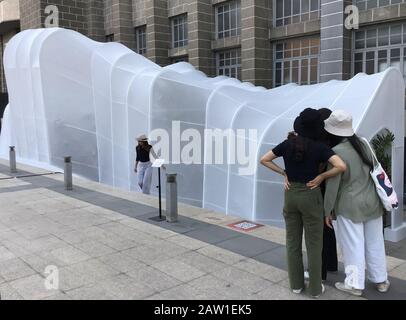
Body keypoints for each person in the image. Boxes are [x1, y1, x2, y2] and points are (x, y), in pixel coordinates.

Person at [260, 108, 346, 298]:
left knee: (292, 242)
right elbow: (341, 166)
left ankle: (296, 285)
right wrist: (322, 176)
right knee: (315, 244)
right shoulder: (320, 148)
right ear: (318, 128)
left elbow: (264, 159)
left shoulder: (287, 144)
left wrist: (284, 173)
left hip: (290, 195)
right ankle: (315, 288)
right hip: (311, 195)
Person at [323, 110, 390, 296]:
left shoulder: (336, 152)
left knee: (352, 245)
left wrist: (327, 211)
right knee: (375, 242)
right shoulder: (364, 143)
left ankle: (354, 284)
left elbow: (333, 185)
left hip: (349, 205)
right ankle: (381, 280)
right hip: (372, 201)